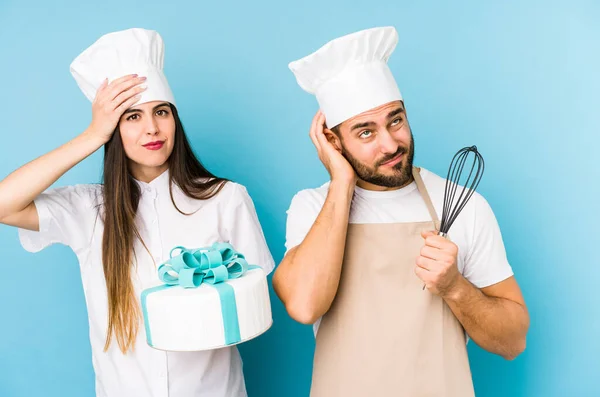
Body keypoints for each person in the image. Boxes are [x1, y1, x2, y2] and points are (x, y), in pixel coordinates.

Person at [0, 28, 274, 397]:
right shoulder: (88, 209)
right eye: (131, 117)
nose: (152, 128)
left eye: (161, 112)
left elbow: (254, 298)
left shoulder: (226, 198)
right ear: (114, 129)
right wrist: (92, 135)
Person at [273, 26, 529, 396]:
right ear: (332, 141)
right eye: (365, 133)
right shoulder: (313, 208)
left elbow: (513, 341)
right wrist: (341, 183)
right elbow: (304, 306)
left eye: (395, 120)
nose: (391, 143)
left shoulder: (462, 204)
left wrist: (455, 287)